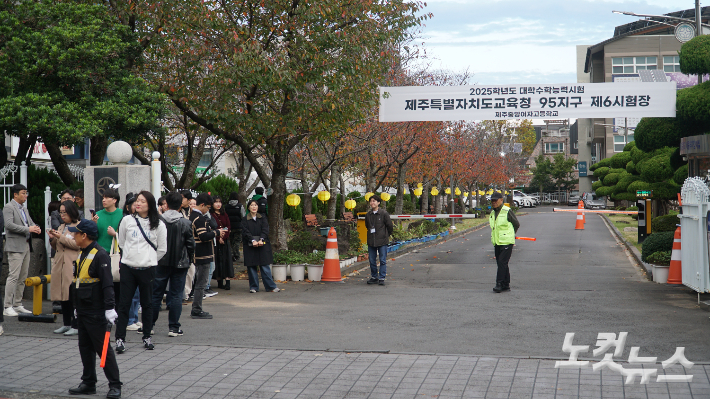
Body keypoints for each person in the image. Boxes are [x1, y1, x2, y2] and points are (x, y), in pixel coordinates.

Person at [66, 219, 121, 399]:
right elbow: (78, 282)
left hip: (96, 311)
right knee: (85, 347)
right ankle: (89, 382)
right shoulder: (83, 253)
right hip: (83, 309)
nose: (73, 236)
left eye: (76, 233)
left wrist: (109, 308)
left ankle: (115, 385)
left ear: (84, 235)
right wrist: (76, 306)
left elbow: (107, 284)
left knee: (103, 348)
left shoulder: (100, 255)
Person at [115, 191, 167, 353]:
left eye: (142, 201)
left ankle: (147, 336)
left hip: (148, 269)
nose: (138, 204)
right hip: (128, 268)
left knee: (147, 304)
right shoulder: (127, 220)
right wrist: (132, 257)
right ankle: (120, 339)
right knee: (124, 304)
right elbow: (122, 242)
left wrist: (149, 259)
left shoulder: (158, 223)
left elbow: (162, 249)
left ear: (150, 205)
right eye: (137, 201)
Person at [150, 192, 195, 337]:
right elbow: (191, 245)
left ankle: (149, 325)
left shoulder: (158, 221)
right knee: (176, 295)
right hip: (180, 263)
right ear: (181, 205)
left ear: (166, 205)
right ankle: (174, 327)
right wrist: (190, 258)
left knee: (156, 294)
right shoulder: (186, 223)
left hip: (160, 262)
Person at [3, 184, 41, 317]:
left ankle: (17, 304)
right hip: (14, 246)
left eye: (26, 193)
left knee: (22, 276)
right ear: (15, 194)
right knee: (13, 276)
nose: (26, 195)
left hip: (25, 245)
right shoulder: (8, 207)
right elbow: (8, 225)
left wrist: (36, 227)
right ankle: (7, 306)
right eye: (23, 193)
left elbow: (29, 223)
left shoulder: (24, 208)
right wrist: (28, 229)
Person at [48, 200, 81, 336]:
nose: (62, 215)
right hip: (59, 264)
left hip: (71, 265)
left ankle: (76, 325)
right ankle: (66, 324)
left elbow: (77, 244)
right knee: (62, 297)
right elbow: (57, 247)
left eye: (64, 212)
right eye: (60, 212)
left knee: (72, 296)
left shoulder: (78, 226)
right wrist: (52, 239)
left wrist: (60, 237)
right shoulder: (62, 226)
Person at [241, 199, 279, 293]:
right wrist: (253, 240)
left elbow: (265, 229)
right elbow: (245, 231)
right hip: (250, 245)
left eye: (255, 205)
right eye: (252, 205)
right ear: (248, 207)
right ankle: (254, 287)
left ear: (258, 207)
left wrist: (261, 239)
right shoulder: (245, 219)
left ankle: (270, 286)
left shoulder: (262, 218)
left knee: (265, 266)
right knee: (252, 266)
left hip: (263, 244)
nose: (254, 207)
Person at [189, 193, 216, 319]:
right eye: (208, 208)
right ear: (203, 205)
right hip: (202, 254)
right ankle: (196, 309)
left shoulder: (193, 216)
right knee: (201, 283)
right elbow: (203, 236)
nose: (208, 210)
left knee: (200, 282)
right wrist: (216, 232)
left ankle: (196, 308)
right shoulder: (198, 218)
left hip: (199, 254)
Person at [488, 191, 520, 293]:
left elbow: (516, 224)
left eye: (495, 200)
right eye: (492, 201)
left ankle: (499, 284)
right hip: (497, 242)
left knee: (502, 262)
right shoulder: (493, 213)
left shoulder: (507, 211)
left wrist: (510, 234)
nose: (494, 202)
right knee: (501, 263)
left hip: (507, 241)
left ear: (501, 200)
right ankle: (506, 284)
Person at [364, 195, 393, 286]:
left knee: (382, 260)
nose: (372, 203)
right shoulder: (368, 215)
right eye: (371, 201)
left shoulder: (384, 213)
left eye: (374, 201)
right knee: (372, 260)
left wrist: (386, 235)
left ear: (378, 203)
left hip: (382, 241)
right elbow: (367, 226)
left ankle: (382, 277)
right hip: (371, 240)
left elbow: (390, 226)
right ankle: (374, 277)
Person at [211, 196, 233, 290]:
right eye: (216, 202)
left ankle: (227, 281)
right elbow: (211, 228)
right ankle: (219, 280)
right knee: (218, 260)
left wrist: (223, 237)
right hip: (215, 241)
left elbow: (228, 226)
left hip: (225, 241)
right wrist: (218, 237)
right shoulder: (210, 215)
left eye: (219, 202)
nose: (218, 204)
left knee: (226, 260)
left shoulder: (224, 214)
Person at [224, 192, 244, 262]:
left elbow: (225, 216)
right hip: (238, 227)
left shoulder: (226, 206)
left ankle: (231, 254)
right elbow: (243, 216)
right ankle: (236, 255)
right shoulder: (240, 205)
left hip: (230, 227)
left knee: (231, 241)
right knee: (237, 241)